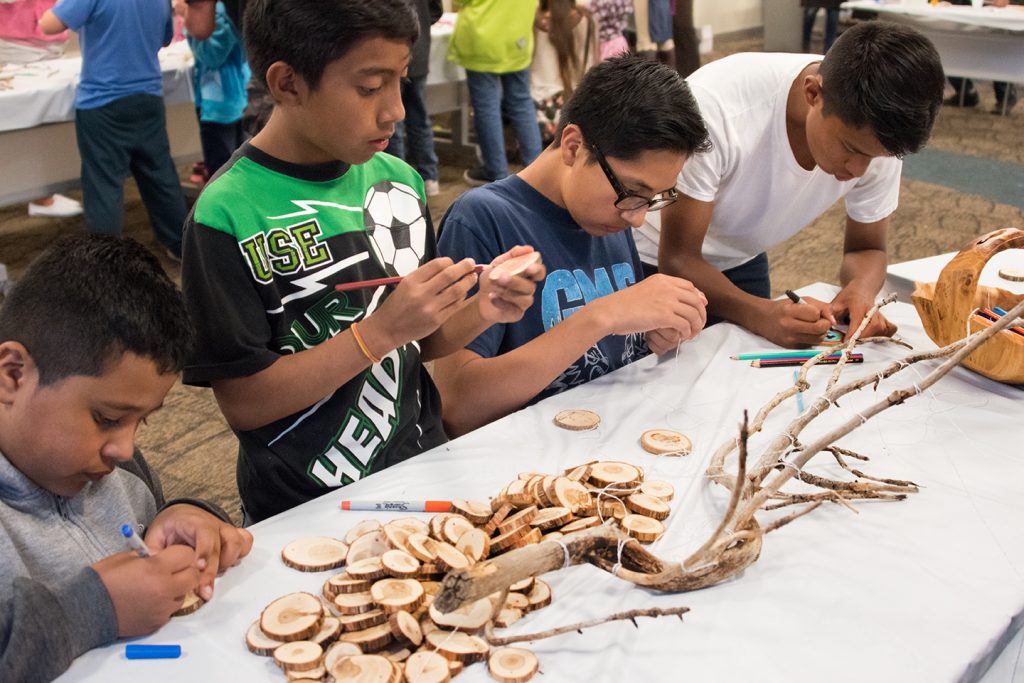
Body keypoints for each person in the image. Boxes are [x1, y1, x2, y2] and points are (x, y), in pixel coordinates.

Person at [180, 0, 543, 524]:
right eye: (370, 87)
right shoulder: (226, 214)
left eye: (401, 80)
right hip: (304, 504)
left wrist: (483, 308)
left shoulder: (399, 180)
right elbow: (245, 402)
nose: (394, 109)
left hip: (421, 468)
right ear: (287, 84)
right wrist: (377, 332)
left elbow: (421, 340)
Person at [0, 234, 253, 683]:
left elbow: (144, 525)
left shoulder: (112, 466)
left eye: (143, 422)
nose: (125, 449)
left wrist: (185, 514)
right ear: (13, 375)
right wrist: (94, 609)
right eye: (106, 417)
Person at [435, 56, 709, 437]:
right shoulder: (483, 219)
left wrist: (651, 335)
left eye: (654, 199)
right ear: (573, 146)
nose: (638, 218)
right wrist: (601, 317)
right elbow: (457, 406)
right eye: (634, 193)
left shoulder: (609, 212)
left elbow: (614, 353)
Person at [635, 21, 945, 348]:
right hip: (649, 257)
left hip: (741, 254)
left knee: (739, 377)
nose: (858, 170)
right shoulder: (717, 110)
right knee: (654, 379)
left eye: (875, 158)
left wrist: (859, 292)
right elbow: (679, 257)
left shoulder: (876, 135)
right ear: (813, 93)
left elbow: (866, 248)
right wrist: (762, 314)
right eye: (851, 150)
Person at [40, 0, 189, 259]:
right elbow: (164, 39)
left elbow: (48, 24)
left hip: (103, 101)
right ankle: (181, 245)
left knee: (104, 184)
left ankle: (106, 260)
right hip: (147, 96)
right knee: (160, 174)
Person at [0, 0, 84, 218]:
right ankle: (40, 196)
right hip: (19, 41)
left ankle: (44, 192)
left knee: (51, 114)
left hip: (52, 35)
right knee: (24, 115)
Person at [448, 0, 545, 186]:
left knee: (486, 107)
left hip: (483, 36)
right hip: (519, 34)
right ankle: (537, 170)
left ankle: (495, 171)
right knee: (522, 102)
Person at [175, 0, 250, 183]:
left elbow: (212, 55)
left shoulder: (220, 14)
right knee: (233, 162)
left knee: (223, 170)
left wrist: (187, 19)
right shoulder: (224, 11)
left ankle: (227, 205)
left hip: (221, 104)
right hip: (227, 100)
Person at [386, 0, 443, 198]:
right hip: (418, 50)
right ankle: (430, 177)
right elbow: (436, 10)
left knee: (393, 122)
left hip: (392, 51)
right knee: (419, 117)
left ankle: (398, 181)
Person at [530, 0, 599, 143]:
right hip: (578, 110)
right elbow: (594, 65)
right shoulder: (586, 19)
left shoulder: (534, 20)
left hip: (539, 114)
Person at [942, 0, 1018, 114]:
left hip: (992, 16)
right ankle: (966, 92)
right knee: (948, 43)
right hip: (960, 14)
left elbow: (1002, 2)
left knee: (996, 45)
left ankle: (1006, 94)